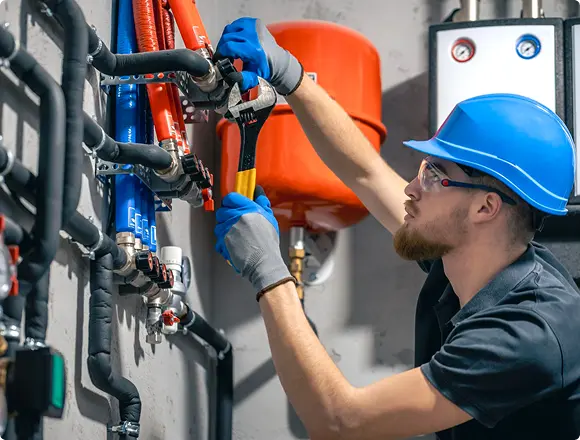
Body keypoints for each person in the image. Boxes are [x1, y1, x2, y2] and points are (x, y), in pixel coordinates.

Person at [213, 17, 580, 440]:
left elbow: (339, 423)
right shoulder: (470, 253)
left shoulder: (527, 333)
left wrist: (267, 271)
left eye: (434, 175)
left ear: (486, 206)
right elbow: (365, 172)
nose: (410, 187)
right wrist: (292, 76)